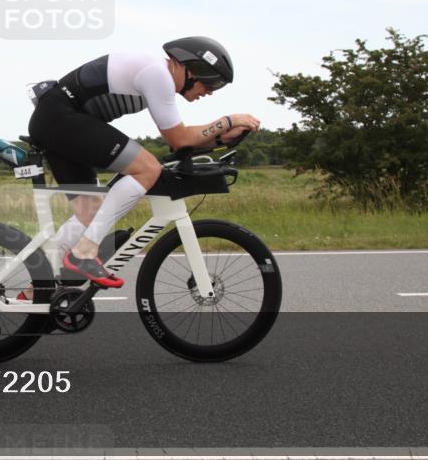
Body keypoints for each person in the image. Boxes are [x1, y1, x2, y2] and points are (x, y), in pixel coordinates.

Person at [26, 37, 260, 289]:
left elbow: (179, 143)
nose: (210, 91)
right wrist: (228, 120)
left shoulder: (158, 77)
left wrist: (220, 139)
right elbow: (179, 139)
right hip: (60, 117)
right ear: (193, 69)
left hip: (57, 121)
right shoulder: (157, 74)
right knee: (147, 169)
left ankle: (37, 292)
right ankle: (84, 254)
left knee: (90, 214)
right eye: (211, 82)